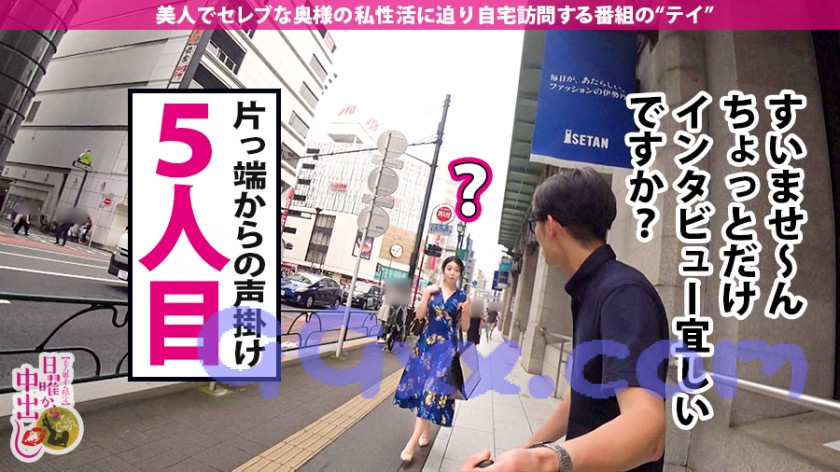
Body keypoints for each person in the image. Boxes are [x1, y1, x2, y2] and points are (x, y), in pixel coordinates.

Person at [461, 167, 669, 472]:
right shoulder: (592, 289)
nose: (536, 233)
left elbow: (648, 430)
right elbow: (583, 394)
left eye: (534, 224)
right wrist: (523, 453)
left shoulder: (622, 294)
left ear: (551, 226)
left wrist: (544, 461)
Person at [394, 256, 472, 463]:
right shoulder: (433, 291)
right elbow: (420, 316)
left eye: (456, 269)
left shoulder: (463, 296)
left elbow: (465, 327)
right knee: (421, 390)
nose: (452, 272)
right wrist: (426, 294)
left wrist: (466, 312)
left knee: (431, 392)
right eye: (449, 268)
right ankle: (425, 431)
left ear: (460, 274)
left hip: (446, 350)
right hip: (426, 346)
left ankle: (411, 444)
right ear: (443, 270)